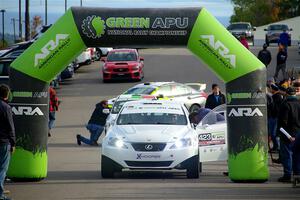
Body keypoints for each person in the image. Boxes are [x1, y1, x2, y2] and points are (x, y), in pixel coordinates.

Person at [277, 87, 300, 182]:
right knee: (297, 156)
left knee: (287, 155)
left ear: (286, 94)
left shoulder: (285, 105)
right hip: (299, 134)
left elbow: (282, 123)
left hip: (288, 135)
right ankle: (297, 175)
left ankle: (287, 175)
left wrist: (289, 136)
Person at [0, 84, 15, 200]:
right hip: (3, 142)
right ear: (7, 94)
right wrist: (13, 143)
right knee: (2, 169)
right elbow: (10, 127)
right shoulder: (6, 107)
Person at [268, 84, 283, 151]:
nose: (270, 90)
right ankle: (276, 147)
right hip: (272, 117)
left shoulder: (277, 96)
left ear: (273, 89)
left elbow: (275, 108)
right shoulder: (274, 96)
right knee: (272, 133)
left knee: (274, 134)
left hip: (275, 117)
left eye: (270, 88)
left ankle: (278, 147)